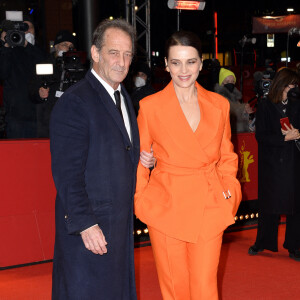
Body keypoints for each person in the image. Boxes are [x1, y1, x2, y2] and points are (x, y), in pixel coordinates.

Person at [134, 31, 242, 299]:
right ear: (167, 65)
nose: (184, 70)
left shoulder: (219, 104)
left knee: (205, 285)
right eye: (177, 62)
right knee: (174, 286)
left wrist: (230, 192)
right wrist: (142, 199)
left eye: (191, 62)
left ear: (201, 64)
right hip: (166, 204)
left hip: (208, 203)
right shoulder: (150, 107)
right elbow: (138, 160)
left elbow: (227, 155)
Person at [50, 19, 141, 299]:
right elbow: (67, 173)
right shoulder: (75, 102)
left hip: (119, 223)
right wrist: (85, 224)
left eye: (127, 54)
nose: (122, 61)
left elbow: (118, 150)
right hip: (91, 229)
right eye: (114, 52)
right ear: (95, 53)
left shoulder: (123, 96)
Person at [248, 68, 300, 261]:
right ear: (283, 84)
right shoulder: (266, 105)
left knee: (295, 205)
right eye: (292, 84)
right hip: (272, 163)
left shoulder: (297, 104)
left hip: (294, 162)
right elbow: (260, 136)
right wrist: (284, 138)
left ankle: (294, 246)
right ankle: (263, 242)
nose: (295, 87)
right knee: (269, 205)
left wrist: (297, 133)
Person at [0, 15, 45, 138]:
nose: (26, 31)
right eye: (22, 29)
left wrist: (26, 44)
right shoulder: (10, 52)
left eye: (28, 28)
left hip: (39, 114)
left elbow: (42, 63)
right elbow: (2, 73)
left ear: (35, 31)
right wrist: (6, 45)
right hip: (16, 116)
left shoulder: (38, 51)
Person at [33, 30, 82, 137]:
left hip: (72, 121)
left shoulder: (78, 68)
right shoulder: (45, 65)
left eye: (71, 46)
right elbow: (32, 92)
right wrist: (39, 93)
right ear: (56, 47)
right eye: (64, 44)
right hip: (48, 120)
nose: (68, 48)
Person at [214, 68, 253, 133]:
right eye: (227, 81)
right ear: (222, 83)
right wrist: (243, 108)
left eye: (232, 81)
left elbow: (240, 117)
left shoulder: (235, 99)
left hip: (239, 135)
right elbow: (230, 111)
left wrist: (247, 115)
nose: (230, 83)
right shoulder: (219, 98)